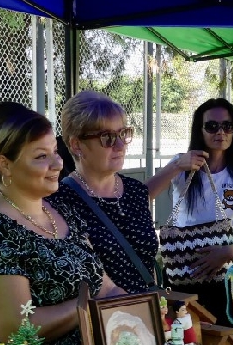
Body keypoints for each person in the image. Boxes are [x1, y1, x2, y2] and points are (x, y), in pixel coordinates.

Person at [0, 102, 122, 345]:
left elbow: (105, 286)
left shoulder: (63, 213)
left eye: (55, 152)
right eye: (41, 156)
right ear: (5, 164)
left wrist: (149, 311)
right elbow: (17, 331)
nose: (58, 164)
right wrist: (89, 305)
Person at [147, 98, 233, 326]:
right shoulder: (182, 164)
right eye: (211, 126)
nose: (220, 132)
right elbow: (141, 196)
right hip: (182, 269)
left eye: (227, 126)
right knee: (182, 337)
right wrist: (176, 166)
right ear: (199, 130)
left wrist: (229, 251)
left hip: (221, 275)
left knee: (222, 336)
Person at [49, 90, 158, 294]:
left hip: (148, 314)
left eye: (123, 134)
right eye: (107, 137)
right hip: (102, 319)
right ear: (77, 145)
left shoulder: (136, 191)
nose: (119, 146)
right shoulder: (59, 201)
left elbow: (146, 259)